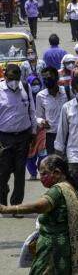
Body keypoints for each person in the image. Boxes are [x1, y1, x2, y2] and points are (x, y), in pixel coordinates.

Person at [0, 155, 78, 275]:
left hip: (53, 249)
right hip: (69, 249)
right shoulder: (75, 187)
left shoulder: (58, 190)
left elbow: (39, 207)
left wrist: (6, 209)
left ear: (57, 172)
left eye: (44, 174)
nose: (42, 178)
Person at [0, 64, 37, 209]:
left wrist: (33, 132)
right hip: (4, 138)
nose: (13, 81)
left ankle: (16, 205)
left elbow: (32, 111)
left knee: (20, 172)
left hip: (23, 137)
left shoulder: (25, 88)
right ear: (5, 76)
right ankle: (2, 203)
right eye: (10, 78)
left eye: (16, 78)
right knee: (3, 172)